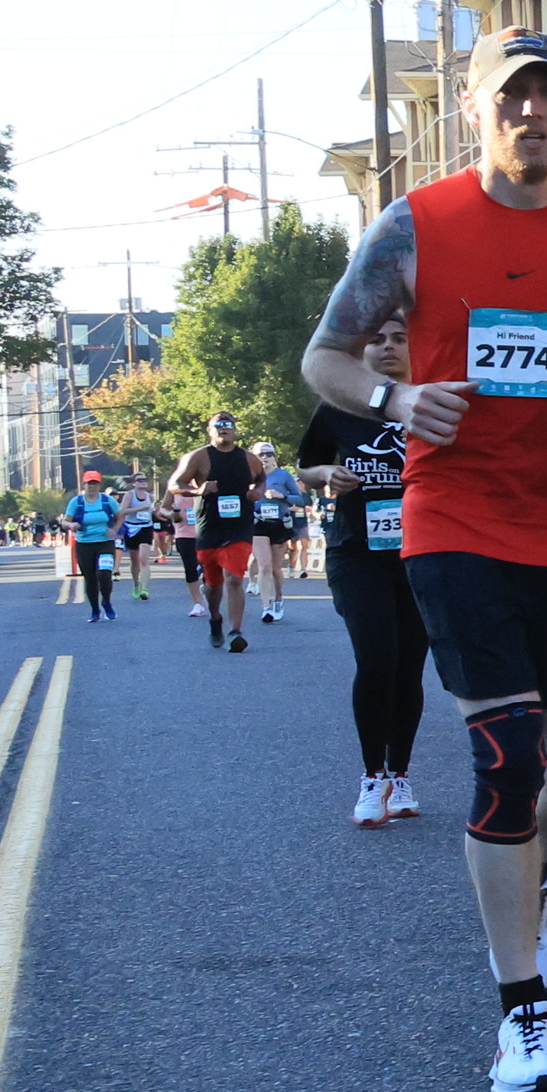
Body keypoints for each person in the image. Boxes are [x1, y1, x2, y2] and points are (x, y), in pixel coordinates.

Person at [301, 26, 547, 1092]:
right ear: (475, 107)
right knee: (507, 761)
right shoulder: (412, 227)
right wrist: (397, 397)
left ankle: (529, 871)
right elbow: (325, 356)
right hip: (455, 516)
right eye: (510, 95)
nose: (530, 111)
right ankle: (524, 1016)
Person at [301, 317, 428, 828]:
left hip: (422, 552)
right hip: (357, 552)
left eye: (399, 339)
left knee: (410, 666)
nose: (388, 347)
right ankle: (372, 777)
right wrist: (326, 473)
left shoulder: (430, 401)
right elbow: (306, 464)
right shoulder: (341, 404)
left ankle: (401, 775)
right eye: (376, 340)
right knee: (377, 659)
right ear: (362, 350)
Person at [170, 413, 262, 652]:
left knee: (234, 577)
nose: (224, 428)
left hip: (239, 525)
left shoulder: (248, 458)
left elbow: (262, 478)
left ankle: (235, 632)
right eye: (218, 425)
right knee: (212, 582)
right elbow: (174, 485)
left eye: (228, 425)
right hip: (209, 526)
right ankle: (215, 617)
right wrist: (198, 490)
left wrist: (258, 491)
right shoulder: (198, 457)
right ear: (209, 430)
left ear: (235, 430)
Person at [249, 441, 302, 625]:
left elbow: (301, 499)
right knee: (264, 565)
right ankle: (266, 607)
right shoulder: (249, 476)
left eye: (268, 454)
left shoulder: (283, 475)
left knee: (275, 568)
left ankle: (279, 598)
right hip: (258, 524)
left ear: (274, 457)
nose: (265, 458)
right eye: (260, 454)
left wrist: (282, 496)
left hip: (279, 524)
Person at [64, 472, 122, 621]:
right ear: (84, 485)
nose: (92, 486)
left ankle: (106, 602)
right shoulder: (76, 502)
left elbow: (120, 516)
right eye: (89, 483)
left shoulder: (108, 501)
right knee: (90, 578)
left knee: (104, 574)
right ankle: (95, 610)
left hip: (105, 542)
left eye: (95, 483)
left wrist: (115, 529)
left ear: (99, 485)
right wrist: (71, 525)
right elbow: (65, 521)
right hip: (84, 544)